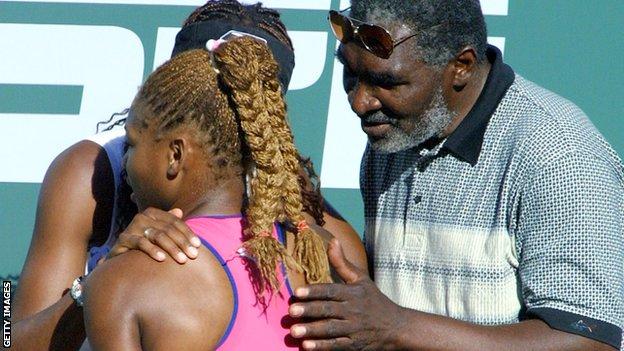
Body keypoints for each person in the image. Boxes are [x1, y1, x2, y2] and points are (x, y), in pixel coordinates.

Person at [12, 1, 364, 350]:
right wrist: (91, 285)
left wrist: (109, 279)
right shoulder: (91, 172)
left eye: (242, 96)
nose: (225, 104)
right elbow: (13, 339)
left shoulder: (310, 231)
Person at [287, 0, 624, 350]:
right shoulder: (397, 134)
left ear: (461, 66)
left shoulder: (558, 156)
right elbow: (384, 302)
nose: (360, 102)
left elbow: (587, 340)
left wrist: (397, 327)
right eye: (352, 74)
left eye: (387, 82)